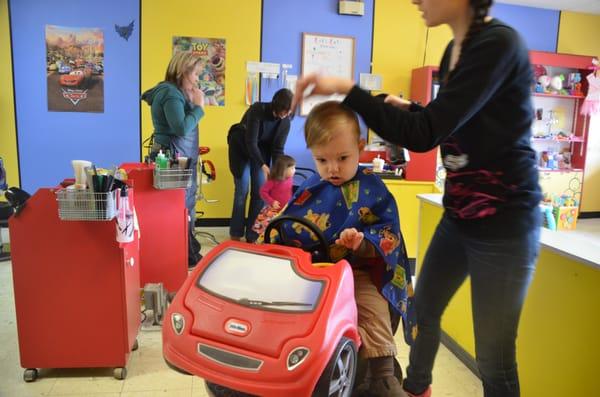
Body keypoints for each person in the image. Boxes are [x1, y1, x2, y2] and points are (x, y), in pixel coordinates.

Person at [292, 1, 543, 396]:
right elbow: (460, 121)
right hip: (460, 215)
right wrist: (413, 109)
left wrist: (346, 89)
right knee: (422, 313)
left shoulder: (498, 45)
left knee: (494, 357)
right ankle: (417, 389)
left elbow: (425, 134)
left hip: (505, 223)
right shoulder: (453, 50)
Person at [275, 101, 416, 397]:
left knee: (370, 307)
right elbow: (291, 221)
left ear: (360, 147)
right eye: (322, 160)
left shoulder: (373, 188)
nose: (333, 168)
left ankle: (383, 375)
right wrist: (272, 226)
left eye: (342, 157)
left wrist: (362, 243)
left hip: (355, 272)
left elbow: (388, 234)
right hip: (313, 273)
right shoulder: (313, 185)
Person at [141, 51, 205, 268]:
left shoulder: (174, 92)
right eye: (195, 74)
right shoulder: (170, 94)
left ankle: (187, 253)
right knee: (179, 207)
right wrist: (198, 107)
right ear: (183, 72)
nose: (197, 79)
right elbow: (180, 127)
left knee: (184, 205)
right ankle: (183, 256)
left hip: (178, 157)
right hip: (172, 157)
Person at [227, 88, 293, 243]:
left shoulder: (285, 122)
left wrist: (278, 172)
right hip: (242, 149)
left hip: (260, 153)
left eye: (289, 111)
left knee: (260, 192)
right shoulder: (257, 110)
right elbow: (251, 142)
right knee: (242, 190)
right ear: (277, 104)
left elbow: (278, 149)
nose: (286, 113)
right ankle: (235, 233)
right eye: (284, 109)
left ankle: (252, 235)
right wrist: (263, 166)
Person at [251, 154, 296, 237]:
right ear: (284, 170)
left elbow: (288, 192)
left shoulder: (290, 179)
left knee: (283, 229)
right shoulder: (274, 180)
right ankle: (262, 240)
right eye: (292, 168)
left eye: (294, 168)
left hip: (285, 209)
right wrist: (272, 201)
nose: (295, 170)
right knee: (266, 228)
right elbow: (263, 191)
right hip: (273, 210)